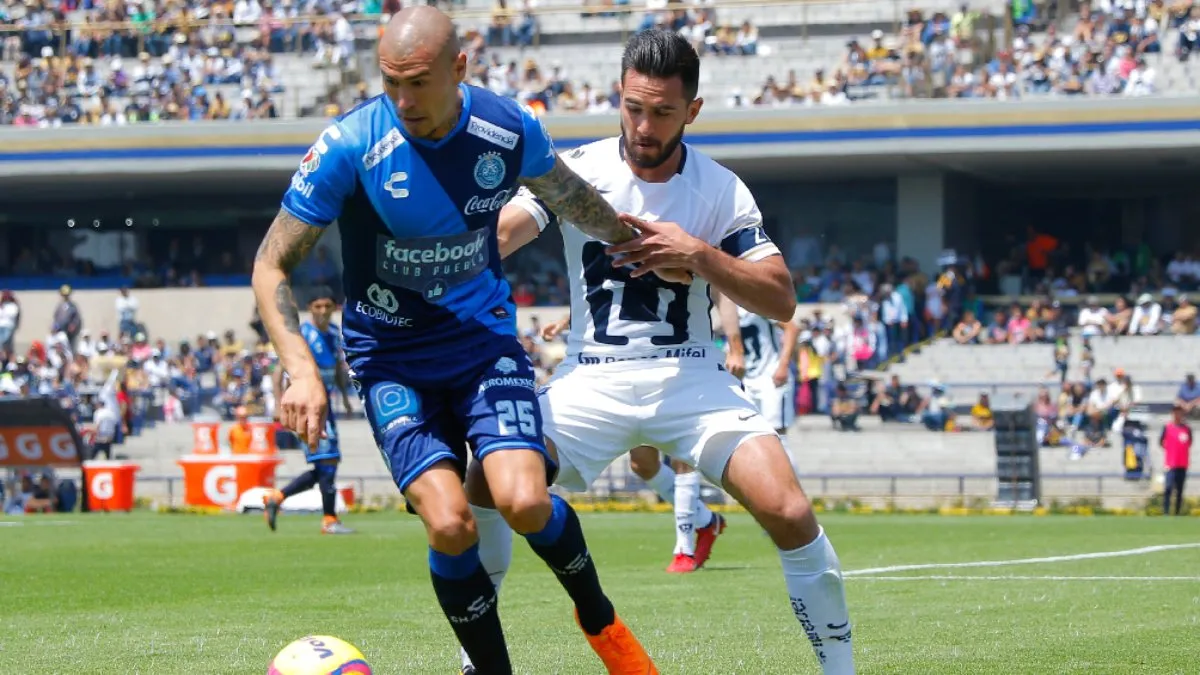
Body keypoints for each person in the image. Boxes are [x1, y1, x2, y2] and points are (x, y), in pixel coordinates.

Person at [250, 7, 658, 674]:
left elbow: (571, 197)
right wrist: (301, 370)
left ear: (459, 68)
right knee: (449, 522)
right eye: (391, 82)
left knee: (524, 500)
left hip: (481, 346)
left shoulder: (508, 128)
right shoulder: (349, 146)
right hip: (392, 362)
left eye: (418, 82)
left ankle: (602, 622)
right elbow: (271, 264)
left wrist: (634, 242)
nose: (403, 100)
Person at [463, 29, 854, 675]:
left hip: (692, 379)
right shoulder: (576, 170)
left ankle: (841, 670)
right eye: (634, 107)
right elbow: (504, 233)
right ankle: (474, 661)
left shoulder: (720, 189)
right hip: (590, 377)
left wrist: (697, 254)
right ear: (618, 96)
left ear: (692, 111)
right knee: (486, 478)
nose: (644, 126)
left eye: (663, 112)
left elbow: (781, 298)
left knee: (788, 510)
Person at [263, 288, 355, 535]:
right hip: (308, 407)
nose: (323, 311)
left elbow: (338, 369)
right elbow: (277, 372)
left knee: (327, 463)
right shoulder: (301, 334)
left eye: (328, 306)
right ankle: (329, 520)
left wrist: (345, 399)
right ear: (310, 308)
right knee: (327, 461)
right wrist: (278, 405)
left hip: (327, 407)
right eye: (318, 306)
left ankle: (277, 497)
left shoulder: (334, 333)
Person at [1160, 404, 1192, 516]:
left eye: (1180, 412)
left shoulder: (1186, 429)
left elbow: (1189, 443)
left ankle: (1177, 513)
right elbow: (1161, 442)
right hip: (1170, 464)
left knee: (1180, 490)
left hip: (1182, 464)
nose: (1178, 414)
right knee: (1168, 488)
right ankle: (1166, 512)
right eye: (1176, 412)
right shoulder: (1167, 427)